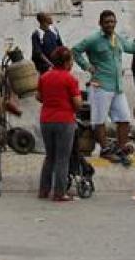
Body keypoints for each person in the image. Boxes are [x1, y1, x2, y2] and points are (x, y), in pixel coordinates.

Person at [72, 10, 135, 163]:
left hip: (117, 86)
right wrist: (86, 66)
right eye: (106, 22)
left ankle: (120, 147)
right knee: (99, 120)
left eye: (112, 22)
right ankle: (105, 149)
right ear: (100, 23)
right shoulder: (93, 39)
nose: (110, 24)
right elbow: (75, 50)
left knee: (124, 118)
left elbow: (132, 47)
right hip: (100, 85)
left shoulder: (116, 38)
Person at [36, 46, 81, 201]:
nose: (72, 63)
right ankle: (59, 193)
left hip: (46, 119)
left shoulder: (44, 77)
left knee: (50, 156)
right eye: (71, 60)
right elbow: (77, 103)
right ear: (66, 62)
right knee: (63, 158)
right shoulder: (70, 79)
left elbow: (39, 97)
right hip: (64, 120)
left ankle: (43, 190)